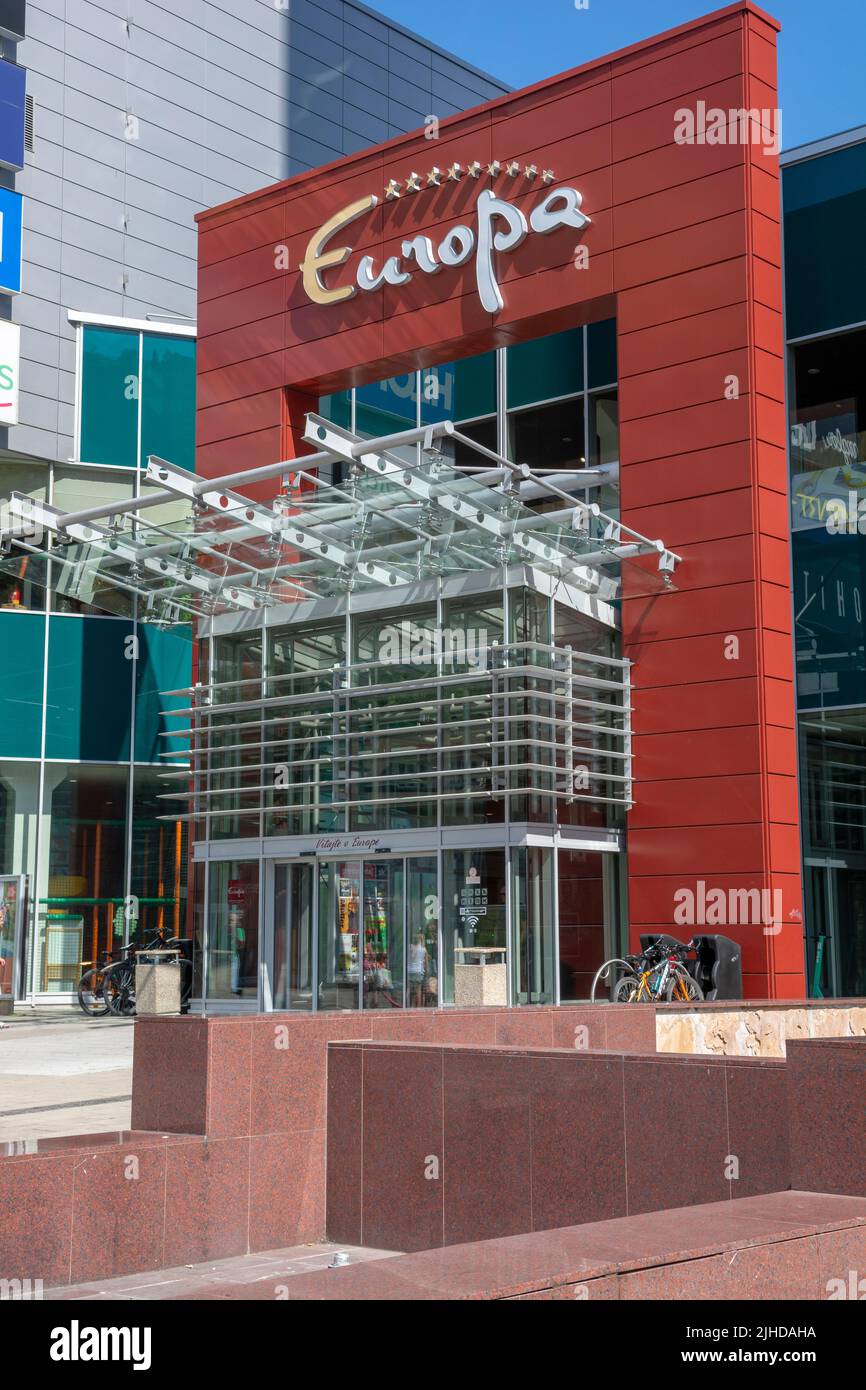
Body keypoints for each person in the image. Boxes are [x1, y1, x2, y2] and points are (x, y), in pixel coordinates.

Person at [408, 930, 430, 1007]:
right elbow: (426, 963)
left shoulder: (410, 946)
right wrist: (427, 973)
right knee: (418, 990)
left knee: (410, 990)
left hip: (410, 970)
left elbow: (410, 957)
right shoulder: (424, 949)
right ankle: (419, 1006)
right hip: (419, 971)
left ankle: (409, 1005)